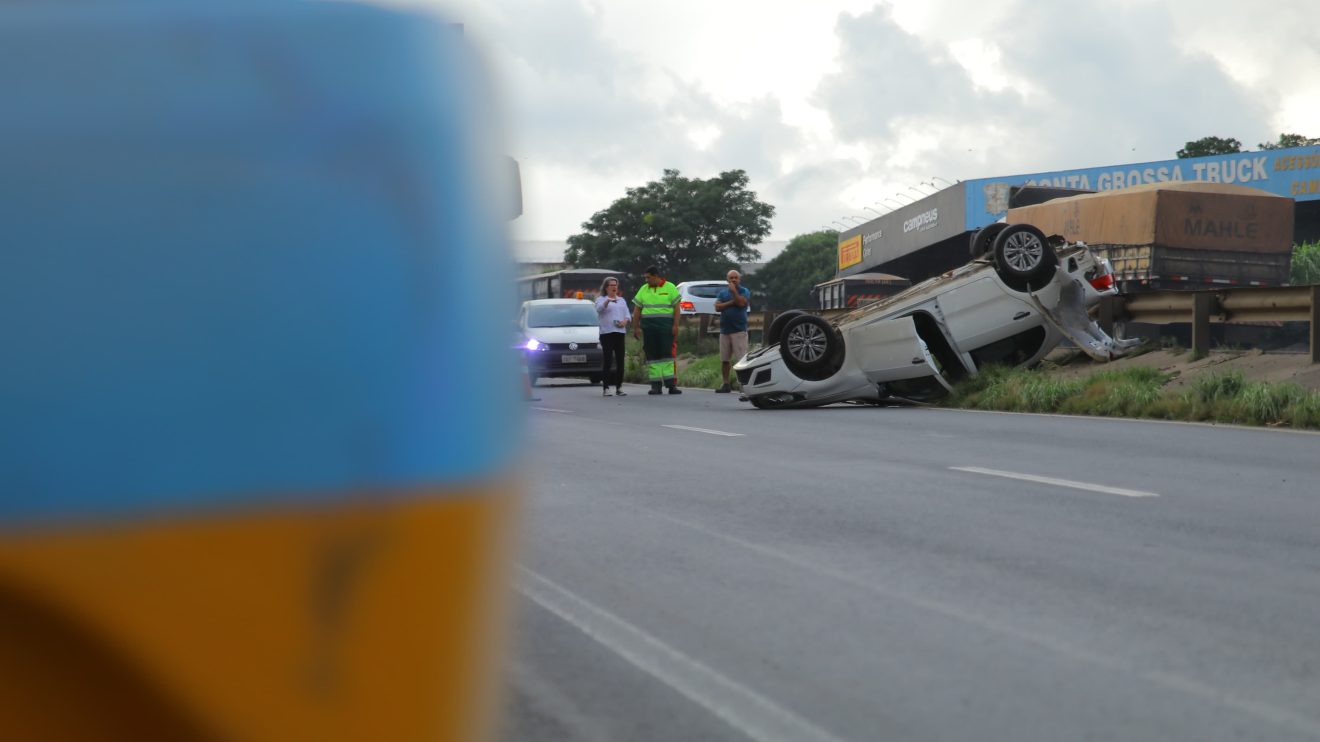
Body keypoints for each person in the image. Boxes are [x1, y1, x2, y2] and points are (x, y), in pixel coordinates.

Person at [631, 266, 682, 395]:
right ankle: (655, 385)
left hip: (666, 327)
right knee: (652, 356)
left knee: (667, 355)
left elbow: (677, 308)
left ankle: (671, 385)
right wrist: (636, 327)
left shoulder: (670, 287)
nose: (646, 280)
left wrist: (676, 326)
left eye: (648, 277)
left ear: (656, 276)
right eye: (645, 278)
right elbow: (637, 310)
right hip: (649, 328)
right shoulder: (644, 289)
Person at [713, 269, 752, 393]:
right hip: (725, 330)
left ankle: (743, 384)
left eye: (736, 278)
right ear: (727, 279)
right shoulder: (723, 293)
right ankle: (725, 384)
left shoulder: (744, 291)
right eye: (731, 278)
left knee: (741, 359)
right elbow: (717, 307)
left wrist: (734, 292)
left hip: (738, 330)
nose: (733, 280)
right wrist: (731, 302)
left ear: (739, 279)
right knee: (725, 359)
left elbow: (741, 303)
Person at [594, 276, 630, 396]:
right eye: (611, 285)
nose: (614, 287)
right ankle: (606, 387)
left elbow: (627, 315)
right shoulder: (601, 299)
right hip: (607, 333)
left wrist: (625, 321)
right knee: (608, 360)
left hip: (619, 332)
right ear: (606, 287)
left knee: (620, 360)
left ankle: (619, 387)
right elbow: (599, 309)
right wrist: (608, 300)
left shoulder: (621, 300)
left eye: (616, 285)